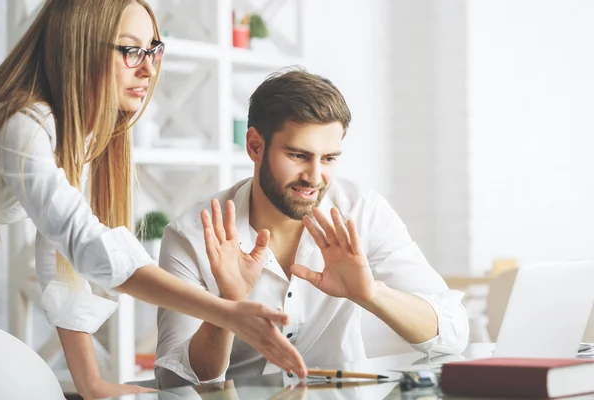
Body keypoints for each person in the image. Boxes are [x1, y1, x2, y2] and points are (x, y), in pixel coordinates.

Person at [0, 1, 305, 399]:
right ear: (79, 46)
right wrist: (225, 311)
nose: (149, 68)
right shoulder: (24, 125)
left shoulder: (74, 131)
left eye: (153, 49)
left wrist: (92, 385)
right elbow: (90, 246)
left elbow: (60, 254)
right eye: (130, 50)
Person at [154, 68, 470, 388]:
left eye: (329, 159)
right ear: (254, 146)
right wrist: (226, 306)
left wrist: (372, 294)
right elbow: (173, 382)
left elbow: (452, 333)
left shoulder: (361, 211)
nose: (314, 177)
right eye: (298, 155)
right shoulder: (192, 236)